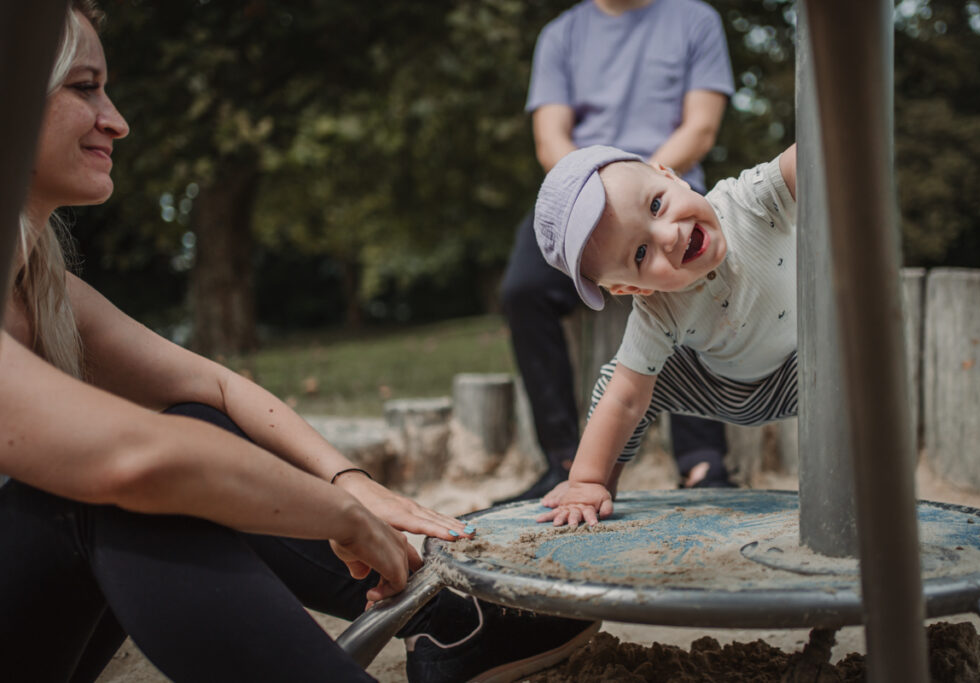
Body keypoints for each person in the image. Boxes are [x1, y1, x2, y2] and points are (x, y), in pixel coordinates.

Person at [0, 3, 597, 681]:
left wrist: (352, 484)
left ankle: (450, 623)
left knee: (192, 422)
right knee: (94, 490)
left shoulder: (43, 288)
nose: (118, 120)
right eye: (84, 88)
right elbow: (134, 460)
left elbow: (216, 388)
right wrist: (335, 513)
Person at [498, 0, 736, 503]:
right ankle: (567, 460)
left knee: (693, 279)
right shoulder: (561, 36)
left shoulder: (695, 20)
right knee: (523, 290)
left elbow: (700, 128)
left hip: (660, 185)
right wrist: (594, 201)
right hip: (580, 205)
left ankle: (702, 462)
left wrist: (637, 187)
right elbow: (550, 140)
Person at [531, 143, 797, 526]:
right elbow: (625, 401)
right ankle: (598, 484)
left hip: (805, 371)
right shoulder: (658, 311)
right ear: (632, 289)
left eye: (656, 205)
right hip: (724, 390)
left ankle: (860, 474)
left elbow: (812, 154)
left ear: (670, 176)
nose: (668, 236)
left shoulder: (750, 201)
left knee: (852, 356)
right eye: (640, 254)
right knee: (620, 384)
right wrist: (584, 480)